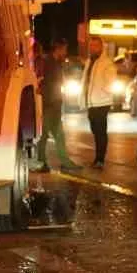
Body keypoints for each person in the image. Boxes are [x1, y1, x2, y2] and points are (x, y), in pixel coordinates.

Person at [35, 40, 79, 173]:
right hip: (49, 104)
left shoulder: (55, 63)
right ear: (58, 49)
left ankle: (64, 162)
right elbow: (42, 83)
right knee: (43, 135)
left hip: (54, 104)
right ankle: (41, 162)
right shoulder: (47, 63)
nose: (65, 53)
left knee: (59, 135)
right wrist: (48, 101)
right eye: (64, 50)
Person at [80, 36, 119, 169]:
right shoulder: (89, 61)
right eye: (91, 46)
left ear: (101, 47)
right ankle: (98, 158)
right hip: (91, 102)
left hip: (102, 102)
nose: (92, 48)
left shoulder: (107, 63)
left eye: (95, 45)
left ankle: (100, 160)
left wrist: (104, 89)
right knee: (95, 130)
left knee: (100, 131)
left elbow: (110, 82)